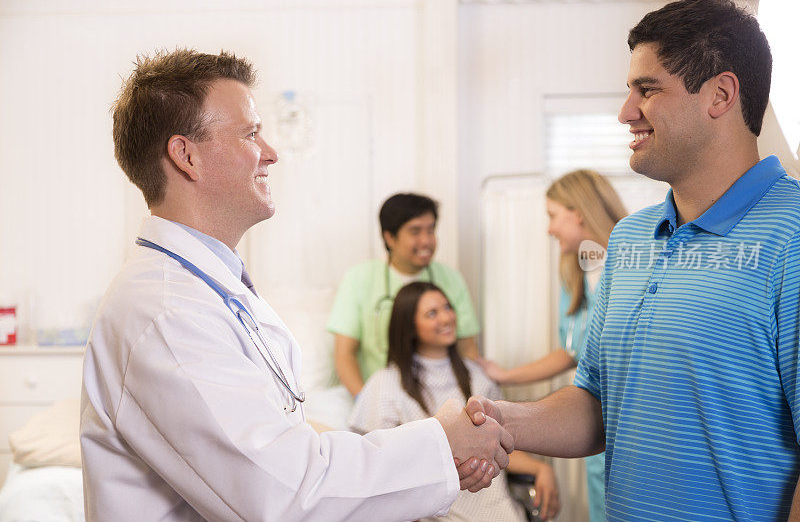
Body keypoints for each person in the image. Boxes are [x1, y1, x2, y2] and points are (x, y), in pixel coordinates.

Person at [79, 48, 510, 521]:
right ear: (186, 156)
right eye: (251, 133)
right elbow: (284, 494)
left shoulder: (209, 289)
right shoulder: (164, 313)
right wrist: (438, 440)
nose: (271, 153)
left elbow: (278, 448)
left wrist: (436, 452)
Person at [464, 0, 800, 521]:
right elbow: (597, 404)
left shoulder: (792, 236)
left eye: (647, 89)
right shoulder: (628, 241)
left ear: (720, 94)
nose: (625, 113)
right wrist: (495, 419)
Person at [478, 169, 626, 521]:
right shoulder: (575, 274)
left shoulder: (632, 265)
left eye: (552, 216)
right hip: (593, 419)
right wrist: (505, 375)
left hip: (631, 420)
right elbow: (572, 351)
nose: (549, 229)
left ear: (578, 211)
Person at [349, 282, 560, 521]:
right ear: (409, 325)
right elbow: (375, 467)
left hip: (497, 509)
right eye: (432, 313)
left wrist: (541, 468)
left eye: (448, 307)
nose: (446, 317)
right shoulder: (386, 384)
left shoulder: (478, 377)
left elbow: (501, 447)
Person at [328, 193, 480, 397]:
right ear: (389, 237)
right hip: (381, 396)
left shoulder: (450, 279)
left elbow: (468, 350)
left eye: (431, 229)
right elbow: (344, 354)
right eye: (415, 231)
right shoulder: (359, 278)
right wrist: (368, 404)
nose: (426, 241)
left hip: (442, 396)